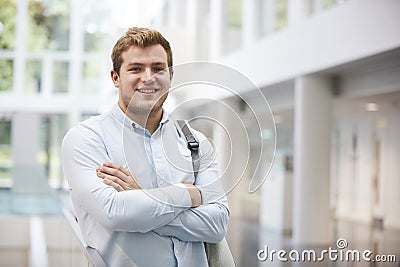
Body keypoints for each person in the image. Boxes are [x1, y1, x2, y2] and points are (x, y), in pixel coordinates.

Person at [61, 27, 230, 266]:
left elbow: (217, 224)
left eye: (158, 68)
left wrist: (143, 200)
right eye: (136, 68)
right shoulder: (86, 139)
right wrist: (188, 194)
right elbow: (115, 212)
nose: (148, 77)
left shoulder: (197, 143)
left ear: (170, 76)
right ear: (115, 77)